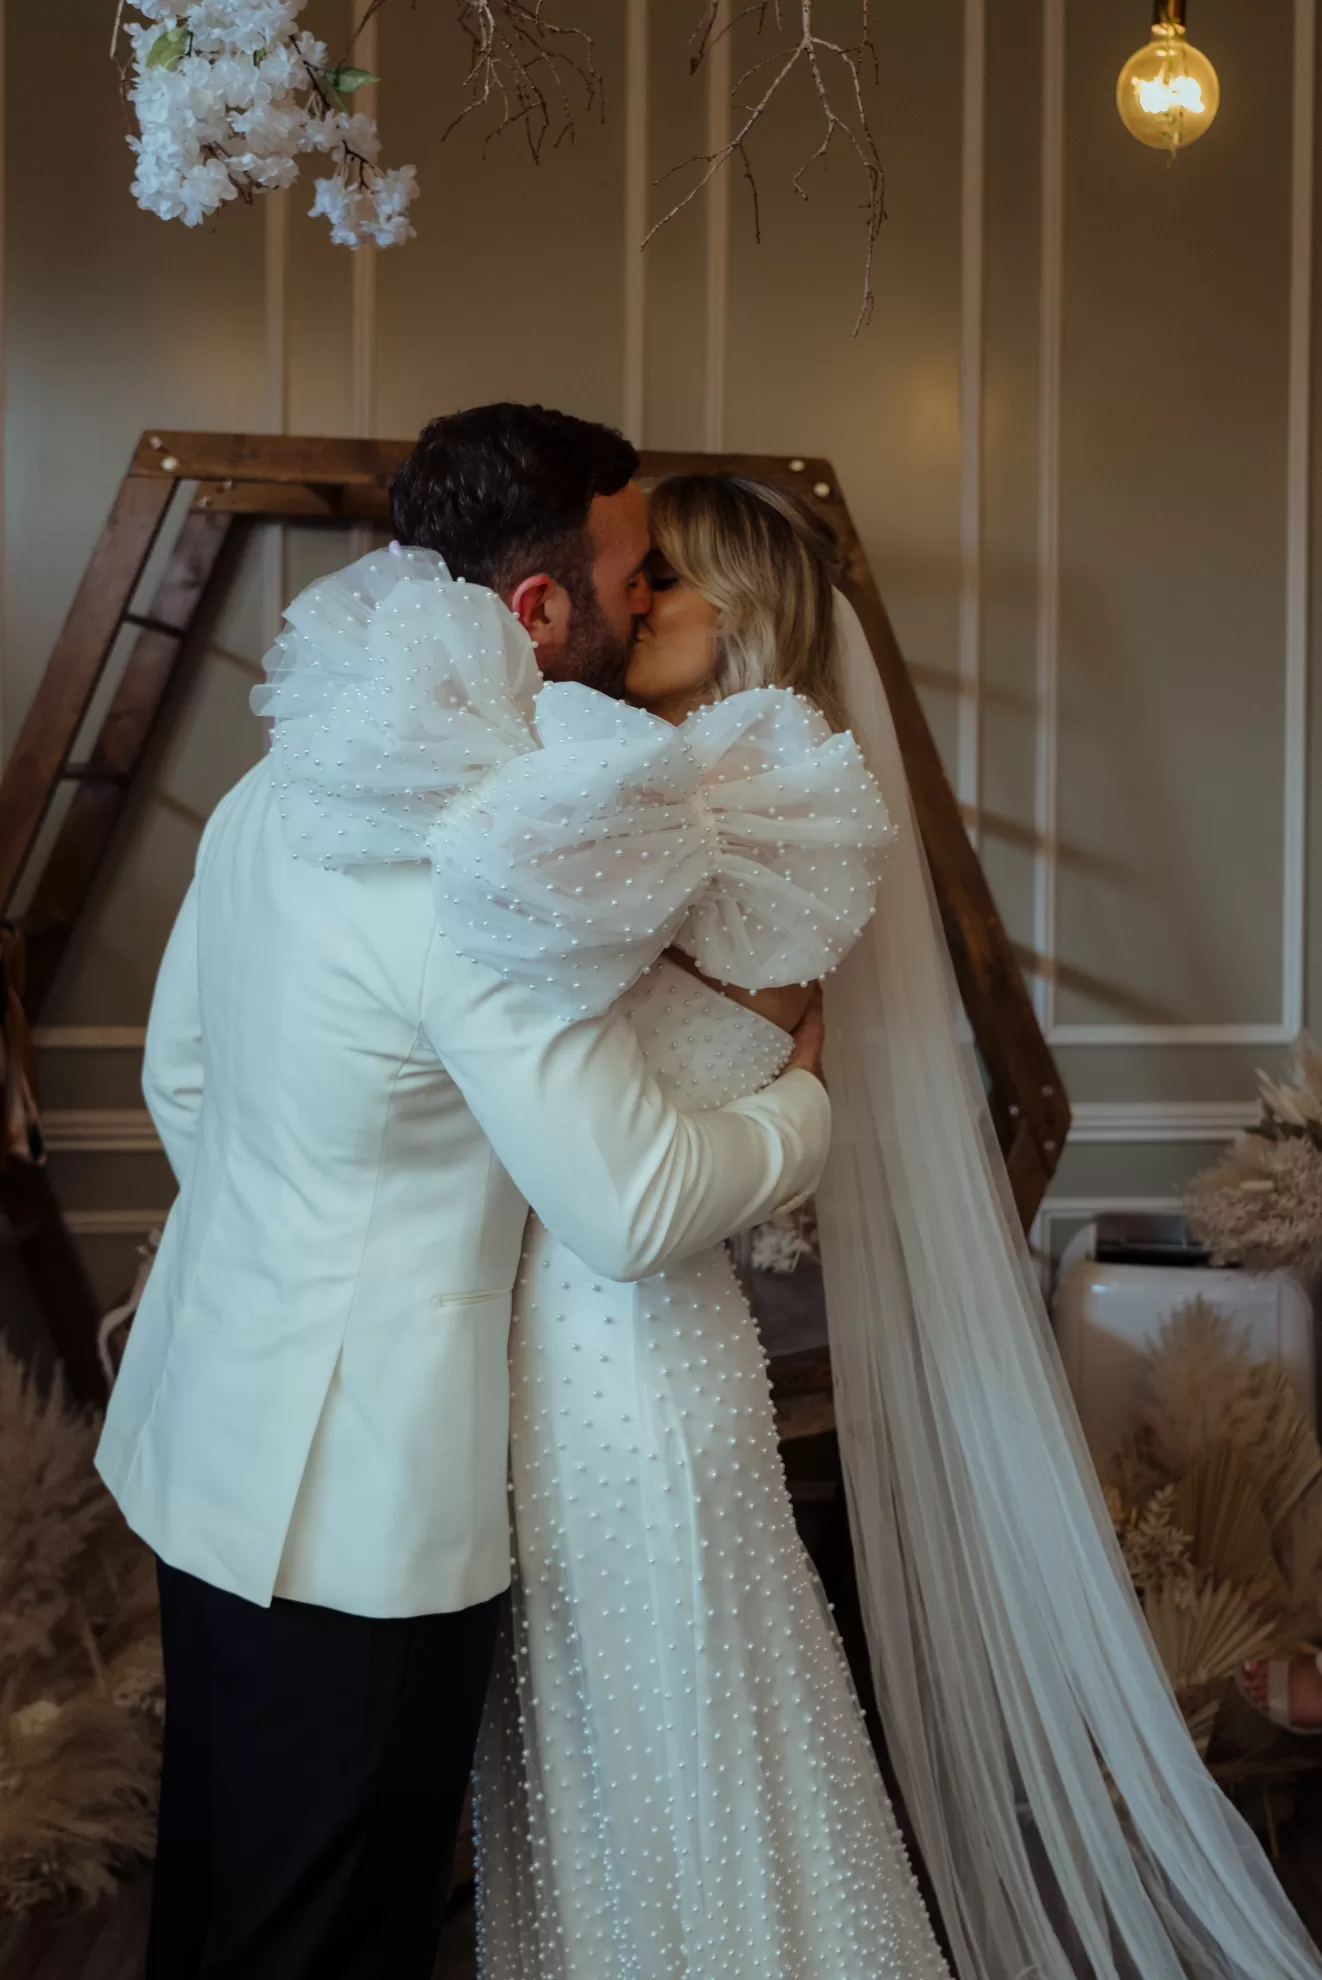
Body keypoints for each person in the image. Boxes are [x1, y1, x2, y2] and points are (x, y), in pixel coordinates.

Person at [422, 472, 1322, 1980]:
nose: (628, 604)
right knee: (643, 1763)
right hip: (597, 1351)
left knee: (688, 1758)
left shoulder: (721, 824)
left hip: (632, 1355)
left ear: (744, 615)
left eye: (663, 585)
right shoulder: (698, 800)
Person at [94, 409, 834, 1980]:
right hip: (356, 1517)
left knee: (216, 1909)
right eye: (631, 571)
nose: (647, 601)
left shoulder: (271, 789)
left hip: (201, 1441)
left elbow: (181, 1082)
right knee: (326, 1943)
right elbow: (628, 1206)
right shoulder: (490, 867)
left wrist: (308, 1243)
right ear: (535, 610)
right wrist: (801, 1113)